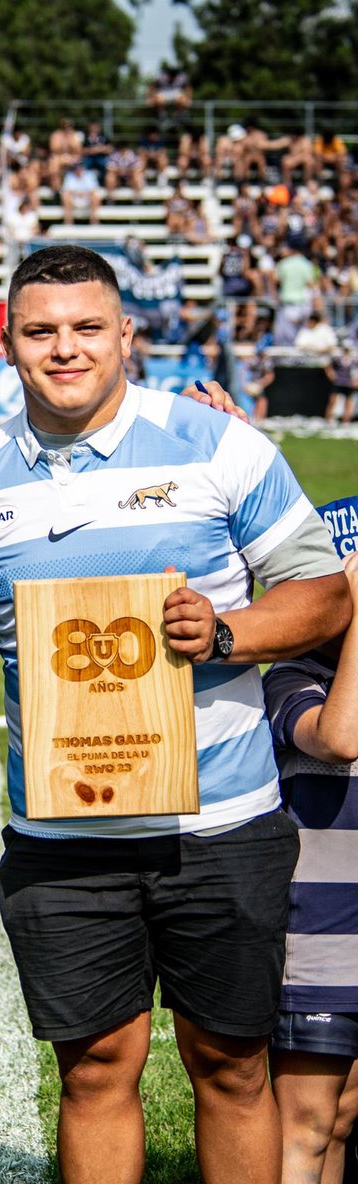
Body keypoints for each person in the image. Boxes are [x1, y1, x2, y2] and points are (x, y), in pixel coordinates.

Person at [0, 244, 351, 1184]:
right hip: (62, 834)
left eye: (87, 329)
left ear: (127, 335)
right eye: (41, 332)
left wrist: (230, 630)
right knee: (94, 1072)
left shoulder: (218, 445)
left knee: (233, 1067)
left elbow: (323, 594)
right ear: (8, 344)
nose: (65, 350)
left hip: (223, 825)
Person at [264, 499, 358, 1184]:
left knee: (345, 1115)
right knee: (307, 1123)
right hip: (321, 940)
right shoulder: (290, 677)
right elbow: (340, 737)